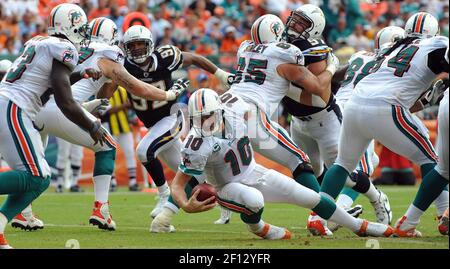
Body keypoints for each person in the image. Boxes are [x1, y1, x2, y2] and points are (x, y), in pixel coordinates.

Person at [152, 14, 340, 234]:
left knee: (199, 163)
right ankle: (319, 217)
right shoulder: (286, 54)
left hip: (228, 106)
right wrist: (332, 66)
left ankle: (164, 216)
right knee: (298, 161)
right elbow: (317, 88)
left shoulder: (245, 48)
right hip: (252, 114)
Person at [13, 17, 189, 232]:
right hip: (60, 109)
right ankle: (101, 210)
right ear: (113, 38)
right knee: (107, 147)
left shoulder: (73, 49)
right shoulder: (107, 55)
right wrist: (170, 93)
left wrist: (91, 102)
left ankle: (24, 212)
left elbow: (76, 88)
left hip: (36, 109)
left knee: (34, 167)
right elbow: (138, 88)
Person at [171, 88, 394, 239]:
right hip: (225, 187)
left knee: (311, 197)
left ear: (220, 111)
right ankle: (258, 227)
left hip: (254, 172)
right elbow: (179, 184)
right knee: (254, 200)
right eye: (198, 117)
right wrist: (186, 205)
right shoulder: (195, 143)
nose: (204, 121)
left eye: (208, 115)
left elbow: (251, 99)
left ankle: (359, 227)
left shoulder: (236, 111)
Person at [317, 12, 449, 237]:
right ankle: (432, 214)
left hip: (355, 105)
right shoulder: (436, 43)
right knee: (433, 162)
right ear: (433, 32)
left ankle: (317, 217)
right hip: (387, 107)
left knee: (342, 164)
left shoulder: (392, 48)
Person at [0, 3, 107, 249]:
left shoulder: (41, 42)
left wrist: (80, 75)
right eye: (81, 28)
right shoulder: (64, 47)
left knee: (41, 178)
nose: (83, 34)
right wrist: (91, 126)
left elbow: (50, 83)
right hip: (14, 107)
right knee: (35, 175)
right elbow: (64, 100)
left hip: (11, 105)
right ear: (71, 26)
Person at [282, 6, 393, 233]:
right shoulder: (283, 44)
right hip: (298, 120)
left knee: (342, 173)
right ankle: (331, 210)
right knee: (309, 172)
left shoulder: (314, 49)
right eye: (294, 19)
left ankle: (376, 196)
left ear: (314, 29)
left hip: (325, 120)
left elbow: (318, 89)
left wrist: (331, 66)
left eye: (301, 22)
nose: (293, 24)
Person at [121, 25, 234, 224]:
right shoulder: (122, 66)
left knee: (144, 151)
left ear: (150, 45)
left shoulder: (165, 57)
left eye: (141, 44)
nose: (137, 48)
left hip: (171, 119)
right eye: (133, 45)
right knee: (191, 175)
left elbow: (195, 59)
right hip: (153, 126)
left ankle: (163, 195)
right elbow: (108, 85)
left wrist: (221, 74)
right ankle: (226, 202)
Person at [100, 86, 139, 191]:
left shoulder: (123, 90)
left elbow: (131, 105)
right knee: (110, 154)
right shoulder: (104, 90)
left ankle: (133, 181)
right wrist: (125, 105)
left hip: (124, 126)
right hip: (109, 127)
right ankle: (112, 182)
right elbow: (106, 111)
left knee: (130, 152)